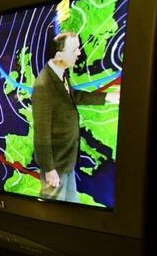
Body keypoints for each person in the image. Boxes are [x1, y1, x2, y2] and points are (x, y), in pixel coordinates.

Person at [31, 31, 119, 202]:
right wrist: (49, 169)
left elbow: (72, 97)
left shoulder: (60, 73)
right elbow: (41, 133)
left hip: (66, 161)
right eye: (74, 50)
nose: (79, 53)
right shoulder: (44, 85)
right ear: (59, 55)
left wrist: (108, 97)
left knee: (71, 207)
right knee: (53, 215)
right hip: (56, 165)